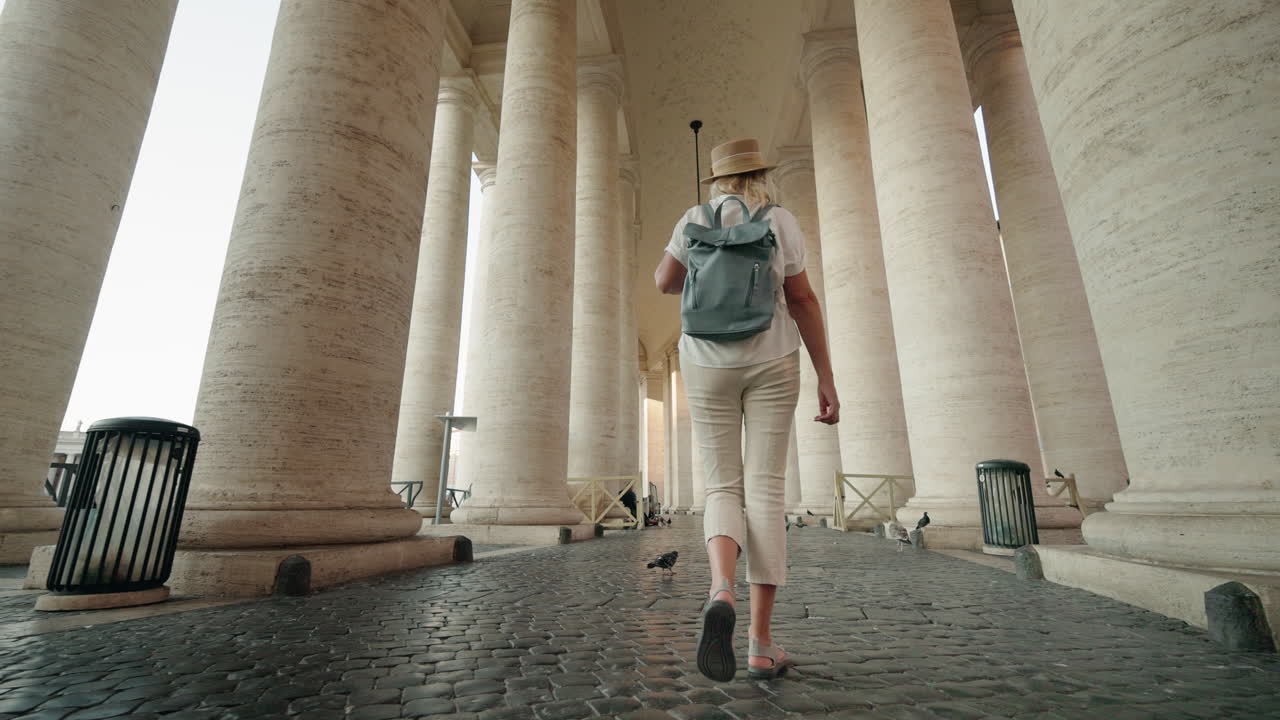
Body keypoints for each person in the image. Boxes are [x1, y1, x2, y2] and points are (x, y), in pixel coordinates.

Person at [654, 138, 839, 681]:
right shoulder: (780, 220)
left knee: (721, 487)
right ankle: (760, 642)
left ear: (717, 183)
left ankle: (720, 589)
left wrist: (705, 271)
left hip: (706, 361)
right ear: (761, 176)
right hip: (774, 358)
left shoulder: (693, 217)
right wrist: (826, 375)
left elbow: (664, 282)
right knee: (765, 489)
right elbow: (803, 300)